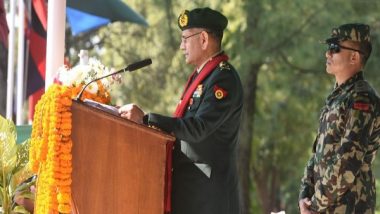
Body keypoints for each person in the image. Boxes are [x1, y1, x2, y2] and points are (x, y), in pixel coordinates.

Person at [119, 7, 243, 214]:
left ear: (203, 39)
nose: (181, 46)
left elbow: (199, 128)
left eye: (185, 39)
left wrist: (148, 119)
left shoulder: (223, 78)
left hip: (208, 197)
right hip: (193, 192)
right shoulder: (202, 76)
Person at [299, 23, 380, 213]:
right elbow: (318, 152)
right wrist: (305, 194)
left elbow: (348, 159)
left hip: (350, 206)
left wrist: (315, 204)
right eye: (328, 48)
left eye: (334, 48)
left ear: (354, 57)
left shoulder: (362, 98)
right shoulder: (338, 97)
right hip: (326, 205)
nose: (327, 54)